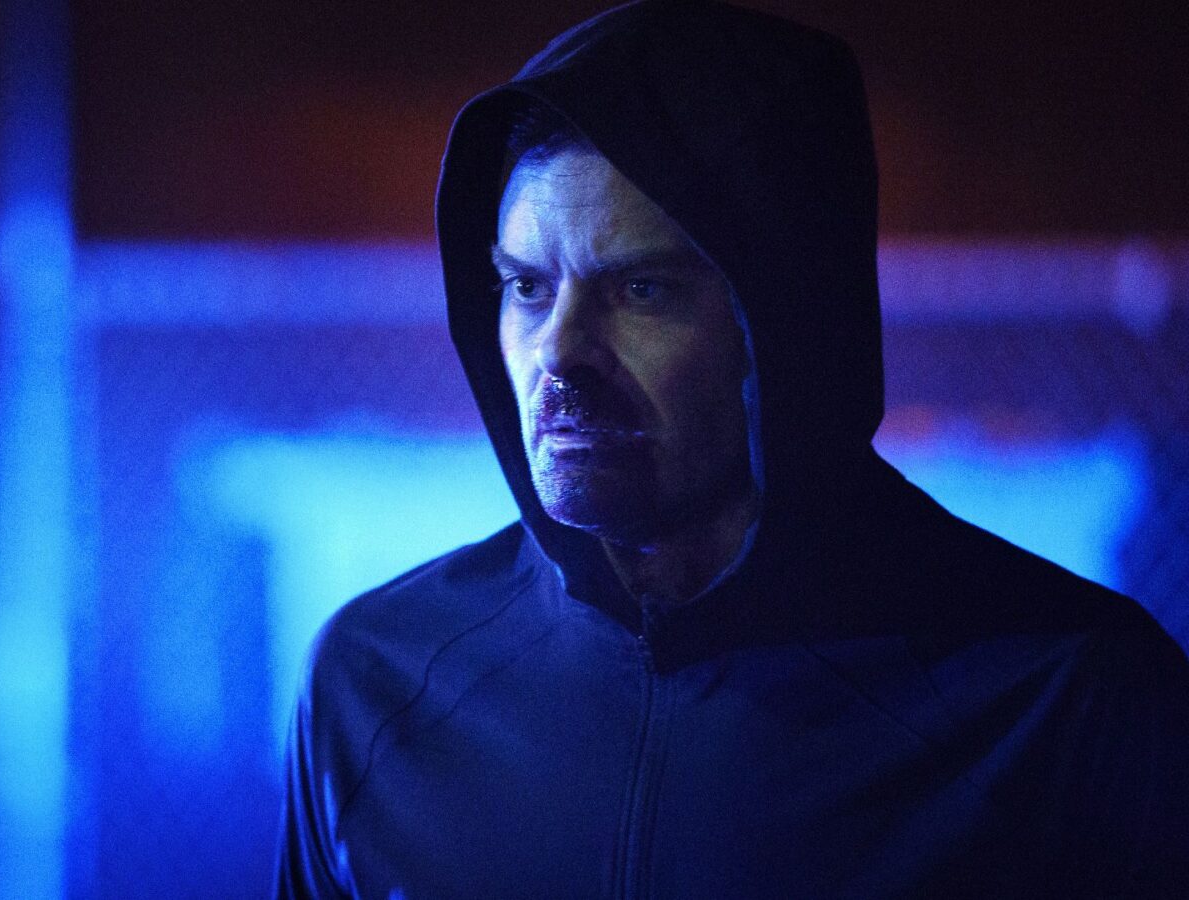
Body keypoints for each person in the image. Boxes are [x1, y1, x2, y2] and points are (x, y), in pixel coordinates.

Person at [276, 1, 1189, 896]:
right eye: (527, 287)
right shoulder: (376, 681)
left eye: (641, 289)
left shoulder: (1063, 699)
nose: (559, 351)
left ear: (790, 322)